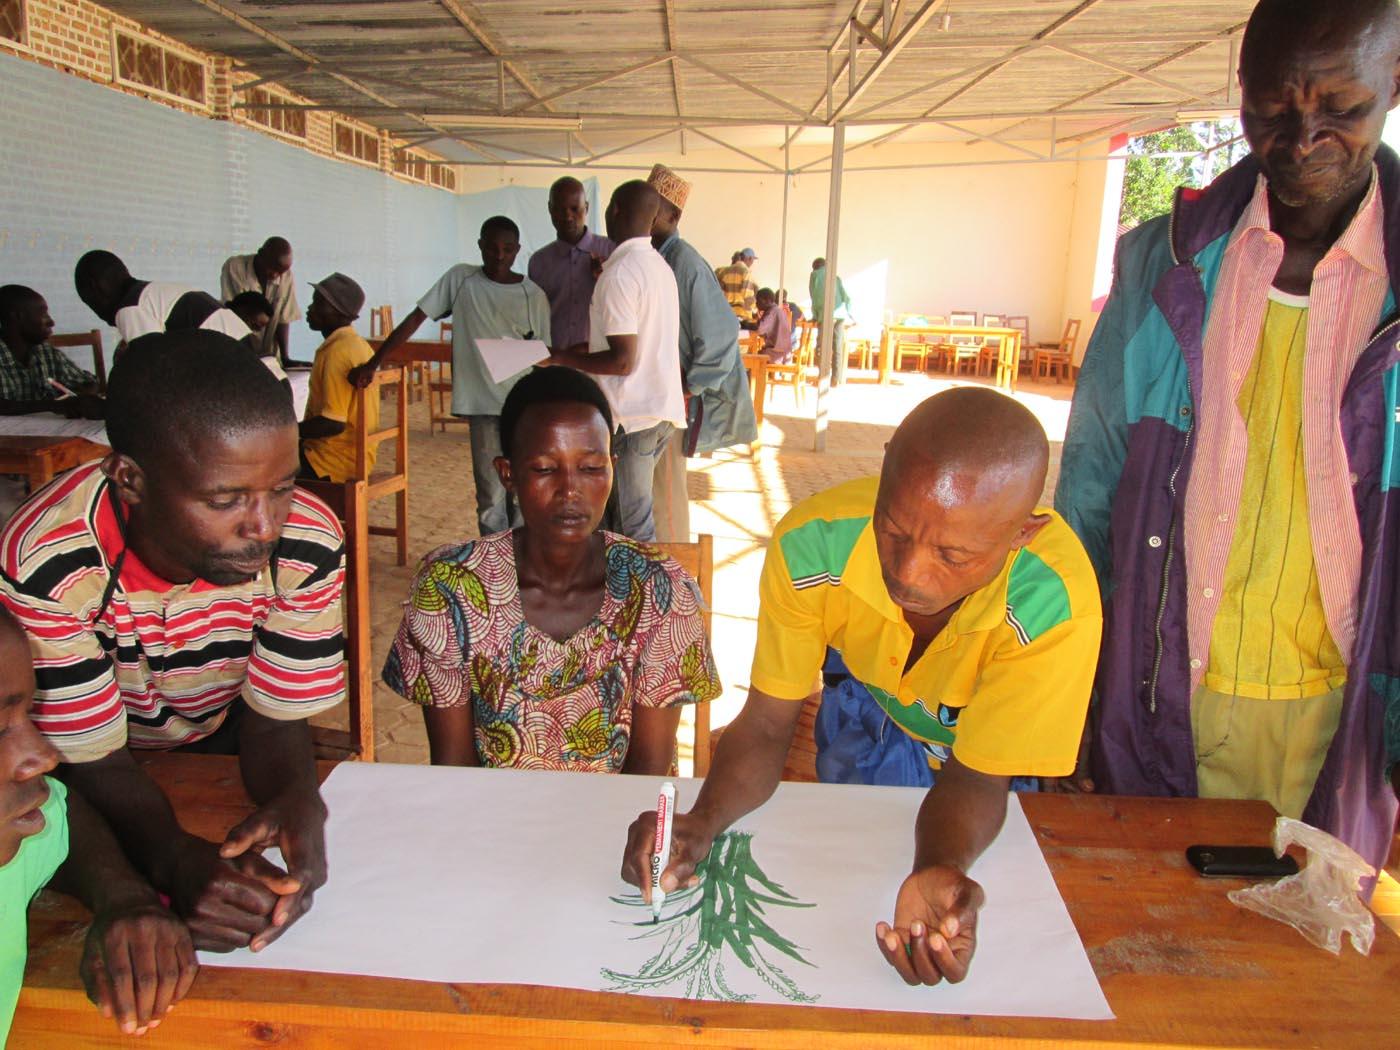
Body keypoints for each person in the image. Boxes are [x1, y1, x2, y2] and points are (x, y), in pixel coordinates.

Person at [1057, 0, 1400, 877]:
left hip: (1345, 713)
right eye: (1270, 110)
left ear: (1394, 84)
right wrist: (1073, 697)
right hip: (1163, 692)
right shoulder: (1159, 264)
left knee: (1310, 974)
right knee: (1156, 944)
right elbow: (1091, 492)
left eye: (1341, 110)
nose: (1300, 138)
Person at [620, 388, 1101, 986]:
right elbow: (770, 722)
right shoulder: (813, 544)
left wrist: (938, 866)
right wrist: (704, 819)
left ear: (1021, 535)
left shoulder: (1054, 606)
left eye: (954, 555)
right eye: (894, 530)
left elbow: (978, 774)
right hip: (873, 702)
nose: (909, 573)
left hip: (973, 748)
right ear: (885, 463)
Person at [0, 330, 346, 954]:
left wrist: (295, 799)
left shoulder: (308, 542)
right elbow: (92, 759)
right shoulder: (50, 562)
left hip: (223, 743)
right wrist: (173, 859)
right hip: (91, 774)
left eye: (283, 487)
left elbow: (272, 721)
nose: (265, 528)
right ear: (130, 480)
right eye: (224, 500)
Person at [383, 366, 721, 770]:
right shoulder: (449, 591)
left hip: (625, 826)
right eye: (545, 469)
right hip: (490, 822)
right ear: (507, 474)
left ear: (613, 467)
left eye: (592, 468)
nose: (570, 491)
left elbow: (645, 776)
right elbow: (455, 768)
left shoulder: (660, 592)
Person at [0, 606, 198, 1039]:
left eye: (29, 715)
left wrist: (123, 896)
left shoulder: (8, 847)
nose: (46, 756)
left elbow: (62, 813)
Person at [350, 216, 552, 536]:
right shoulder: (461, 279)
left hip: (523, 407)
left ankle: (522, 566)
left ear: (517, 251)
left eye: (507, 249)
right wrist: (375, 362)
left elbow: (544, 354)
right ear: (480, 246)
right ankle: (493, 568)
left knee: (523, 492)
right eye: (491, 247)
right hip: (482, 406)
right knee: (490, 495)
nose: (499, 255)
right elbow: (417, 318)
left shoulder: (533, 295)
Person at [551, 181, 684, 542]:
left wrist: (562, 357)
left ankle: (648, 599)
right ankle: (620, 596)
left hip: (631, 417)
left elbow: (623, 362)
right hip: (656, 411)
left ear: (614, 211)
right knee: (617, 521)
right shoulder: (658, 267)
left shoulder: (620, 273)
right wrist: (586, 348)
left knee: (632, 528)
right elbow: (638, 339)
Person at [646, 163, 758, 544]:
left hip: (670, 396)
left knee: (665, 492)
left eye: (652, 208)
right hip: (650, 393)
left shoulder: (685, 263)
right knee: (647, 492)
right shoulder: (652, 256)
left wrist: (691, 387)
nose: (642, 216)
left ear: (673, 216)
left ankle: (673, 579)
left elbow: (722, 333)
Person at [73, 251, 286, 382]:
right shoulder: (155, 293)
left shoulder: (130, 307)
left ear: (96, 289)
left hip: (253, 386)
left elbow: (150, 374)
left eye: (88, 303)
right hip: (271, 379)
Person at [299, 274, 378, 483]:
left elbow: (333, 424)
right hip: (357, 457)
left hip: (331, 463)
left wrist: (287, 431)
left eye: (317, 303)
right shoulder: (359, 345)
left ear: (336, 311)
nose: (309, 309)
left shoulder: (337, 352)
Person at [527, 176, 614, 350]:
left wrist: (605, 279)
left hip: (600, 361)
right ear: (550, 210)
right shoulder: (539, 262)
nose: (568, 216)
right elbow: (535, 317)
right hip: (556, 362)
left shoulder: (611, 252)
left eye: (575, 209)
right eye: (560, 209)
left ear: (586, 208)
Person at [0, 285, 103, 419]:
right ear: (17, 317)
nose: (51, 322)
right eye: (43, 314)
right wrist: (54, 405)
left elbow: (89, 382)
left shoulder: (46, 353)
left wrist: (82, 398)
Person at [220, 237, 302, 366]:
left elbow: (284, 318)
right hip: (239, 352)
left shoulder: (286, 275)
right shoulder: (235, 267)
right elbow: (234, 314)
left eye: (281, 272)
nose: (276, 275)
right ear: (261, 254)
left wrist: (285, 358)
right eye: (273, 268)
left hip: (269, 357)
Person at [809, 257, 854, 385]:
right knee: (837, 346)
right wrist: (851, 315)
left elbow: (814, 297)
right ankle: (836, 378)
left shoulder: (814, 275)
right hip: (840, 316)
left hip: (825, 315)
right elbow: (846, 298)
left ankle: (822, 377)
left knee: (821, 347)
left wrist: (815, 315)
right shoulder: (835, 277)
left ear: (815, 267)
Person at [715, 249, 758, 326]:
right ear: (749, 258)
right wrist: (754, 309)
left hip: (727, 313)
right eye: (752, 260)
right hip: (743, 315)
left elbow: (719, 294)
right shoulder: (746, 272)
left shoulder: (724, 271)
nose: (752, 263)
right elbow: (747, 297)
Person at [755, 287, 794, 365]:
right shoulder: (777, 310)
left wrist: (747, 324)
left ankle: (754, 376)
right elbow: (763, 332)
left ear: (767, 300)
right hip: (785, 353)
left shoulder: (771, 312)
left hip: (776, 354)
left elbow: (760, 330)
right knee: (756, 354)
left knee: (751, 359)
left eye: (758, 300)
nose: (756, 303)